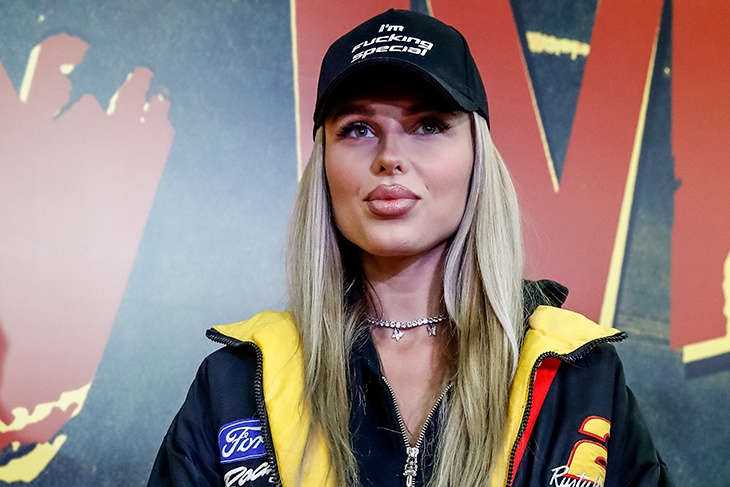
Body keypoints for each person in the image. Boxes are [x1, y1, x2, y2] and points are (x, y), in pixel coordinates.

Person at [147, 9, 673, 487]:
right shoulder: (237, 382)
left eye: (429, 125)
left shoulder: (579, 375)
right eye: (357, 129)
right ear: (323, 164)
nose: (390, 156)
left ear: (477, 157)